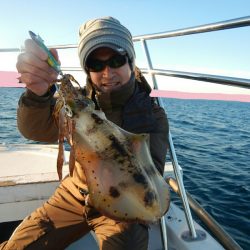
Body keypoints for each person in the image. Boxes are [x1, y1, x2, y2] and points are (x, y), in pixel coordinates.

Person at [0, 17, 169, 250]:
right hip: (74, 195)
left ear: (131, 62)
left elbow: (149, 175)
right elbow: (35, 129)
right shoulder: (76, 104)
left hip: (120, 201)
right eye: (96, 65)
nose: (107, 72)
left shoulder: (153, 115)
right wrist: (37, 94)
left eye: (117, 60)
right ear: (87, 70)